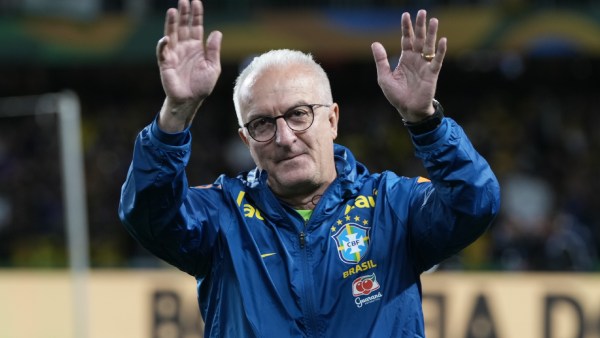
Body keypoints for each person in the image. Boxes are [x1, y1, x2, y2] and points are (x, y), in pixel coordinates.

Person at [118, 0, 501, 336]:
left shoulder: (393, 206)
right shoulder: (222, 217)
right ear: (246, 140)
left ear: (332, 120)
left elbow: (474, 204)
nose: (284, 137)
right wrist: (176, 114)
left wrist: (426, 124)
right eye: (263, 124)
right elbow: (148, 215)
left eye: (299, 114)